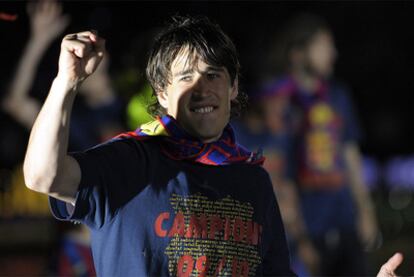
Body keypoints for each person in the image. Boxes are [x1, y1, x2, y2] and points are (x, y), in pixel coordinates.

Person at [23, 16, 295, 276]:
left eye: (213, 74)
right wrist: (66, 82)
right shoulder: (129, 161)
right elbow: (42, 176)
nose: (202, 90)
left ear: (233, 87)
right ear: (162, 92)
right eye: (186, 77)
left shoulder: (253, 180)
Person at [263, 13, 378, 275]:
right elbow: (277, 171)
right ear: (298, 53)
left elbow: (350, 155)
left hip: (345, 221)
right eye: (324, 45)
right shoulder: (281, 103)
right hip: (307, 230)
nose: (333, 53)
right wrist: (298, 236)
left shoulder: (338, 96)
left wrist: (365, 211)